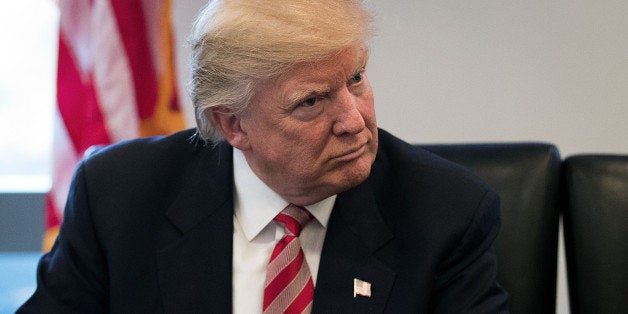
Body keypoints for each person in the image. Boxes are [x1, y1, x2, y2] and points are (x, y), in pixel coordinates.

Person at [19, 0, 509, 313]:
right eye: (312, 102)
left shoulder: (446, 211)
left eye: (356, 79)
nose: (354, 120)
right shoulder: (119, 195)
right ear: (233, 124)